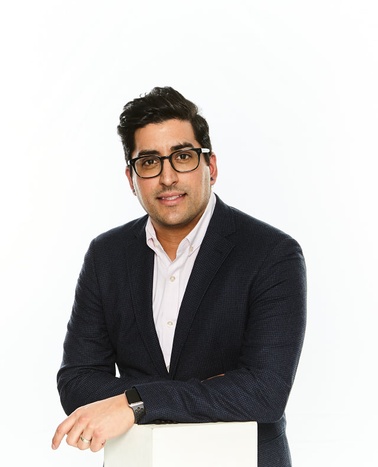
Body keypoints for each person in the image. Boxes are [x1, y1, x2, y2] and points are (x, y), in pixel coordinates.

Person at [51, 86, 306, 466]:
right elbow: (77, 382)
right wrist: (211, 390)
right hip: (138, 460)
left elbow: (265, 393)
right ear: (131, 178)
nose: (167, 177)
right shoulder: (107, 256)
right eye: (150, 162)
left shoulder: (271, 254)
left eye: (183, 157)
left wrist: (136, 402)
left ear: (211, 167)